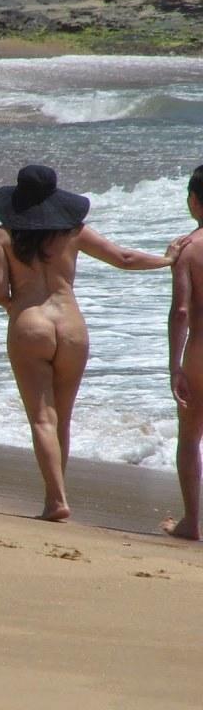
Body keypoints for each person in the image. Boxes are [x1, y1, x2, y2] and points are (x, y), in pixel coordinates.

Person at [0, 165, 183, 521]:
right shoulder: (73, 231)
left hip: (30, 323)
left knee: (42, 419)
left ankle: (56, 500)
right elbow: (124, 259)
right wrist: (167, 259)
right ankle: (56, 496)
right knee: (62, 419)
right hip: (72, 327)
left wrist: (20, 311)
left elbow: (0, 292)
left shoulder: (2, 235)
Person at [163, 167, 203, 540]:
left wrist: (174, 366)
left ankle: (192, 521)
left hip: (199, 354)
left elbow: (181, 312)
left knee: (190, 436)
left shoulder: (188, 249)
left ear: (194, 200)